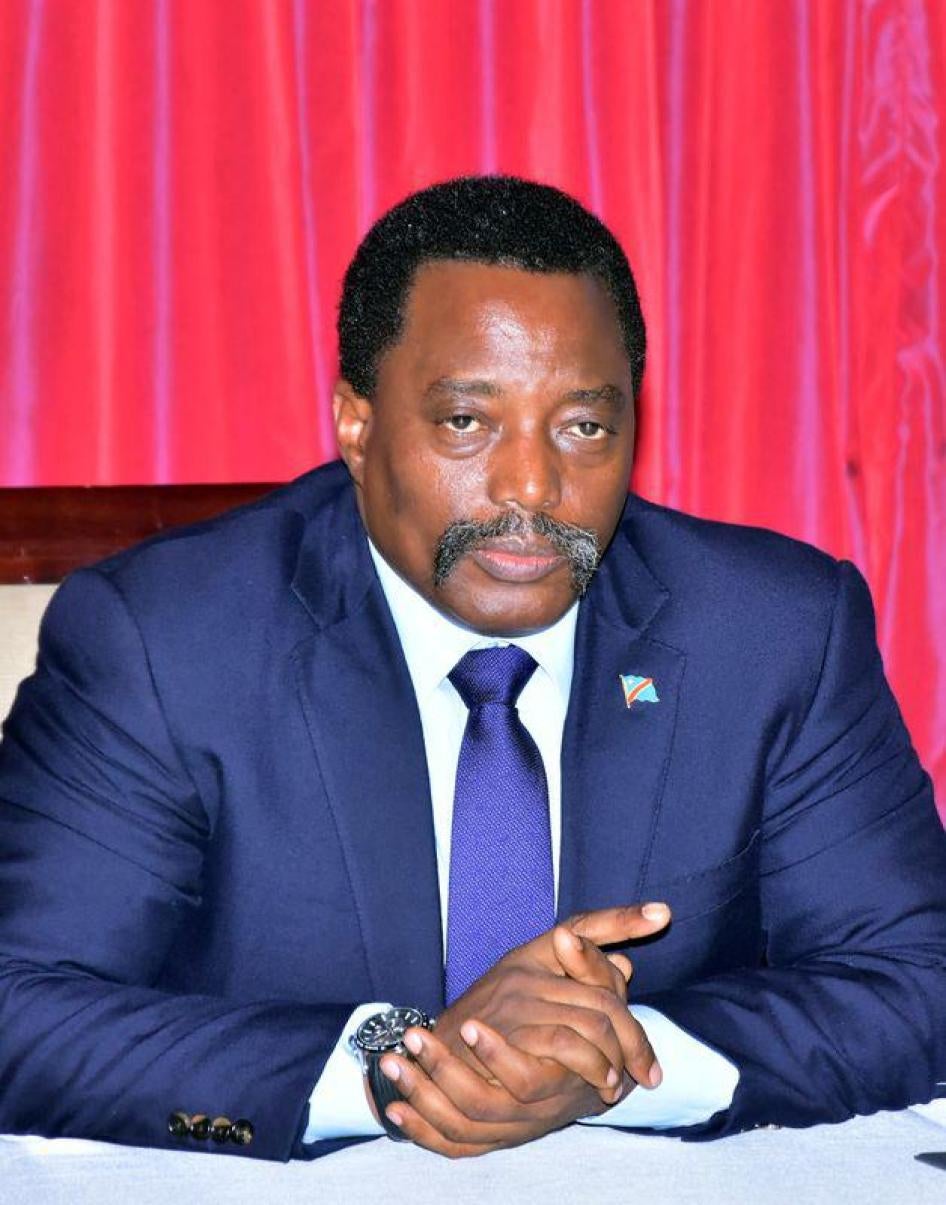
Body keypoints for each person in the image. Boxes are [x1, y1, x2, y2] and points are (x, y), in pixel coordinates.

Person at [0, 177, 944, 1163]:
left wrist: (618, 1054)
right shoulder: (166, 641)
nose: (531, 486)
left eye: (583, 426)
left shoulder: (770, 633)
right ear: (357, 424)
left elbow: (918, 976)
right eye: (465, 422)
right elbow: (19, 1005)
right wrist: (400, 1061)